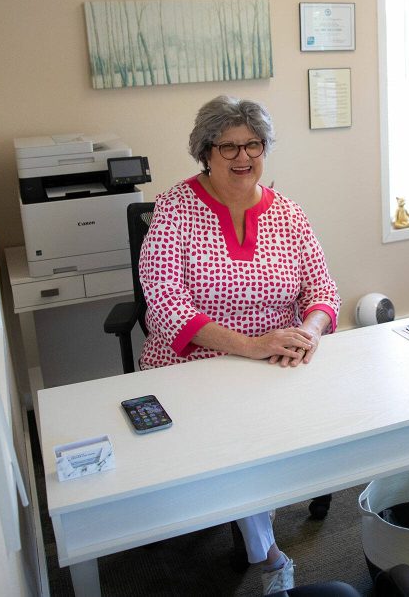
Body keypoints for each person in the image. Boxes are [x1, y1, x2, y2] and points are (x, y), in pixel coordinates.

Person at [138, 95, 341, 593]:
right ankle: (269, 555)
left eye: (253, 144)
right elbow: (165, 305)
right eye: (227, 146)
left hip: (278, 358)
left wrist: (310, 331)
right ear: (204, 152)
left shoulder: (288, 214)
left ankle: (260, 529)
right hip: (196, 363)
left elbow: (324, 292)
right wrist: (250, 345)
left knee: (317, 421)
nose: (243, 157)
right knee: (244, 436)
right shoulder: (174, 209)